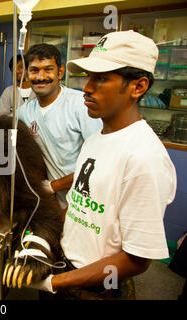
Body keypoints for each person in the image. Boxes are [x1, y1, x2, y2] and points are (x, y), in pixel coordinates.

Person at [31, 30, 177, 300]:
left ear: (138, 87)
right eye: (88, 77)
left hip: (99, 287)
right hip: (66, 266)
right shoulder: (96, 140)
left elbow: (136, 260)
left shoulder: (144, 157)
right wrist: (42, 239)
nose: (86, 87)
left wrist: (55, 282)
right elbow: (79, 208)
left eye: (100, 79)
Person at [17, 44, 102, 209]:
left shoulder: (80, 105)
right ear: (26, 75)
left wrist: (53, 186)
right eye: (34, 70)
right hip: (51, 201)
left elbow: (99, 162)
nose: (41, 77)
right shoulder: (24, 112)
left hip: (86, 198)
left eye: (48, 69)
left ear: (60, 72)